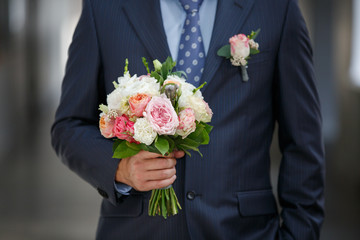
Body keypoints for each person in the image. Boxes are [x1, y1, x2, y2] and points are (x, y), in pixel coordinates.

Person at [51, 0, 325, 239]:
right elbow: (69, 125)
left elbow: (304, 139)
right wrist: (119, 169)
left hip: (244, 231)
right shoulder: (104, 7)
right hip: (138, 231)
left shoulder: (277, 7)